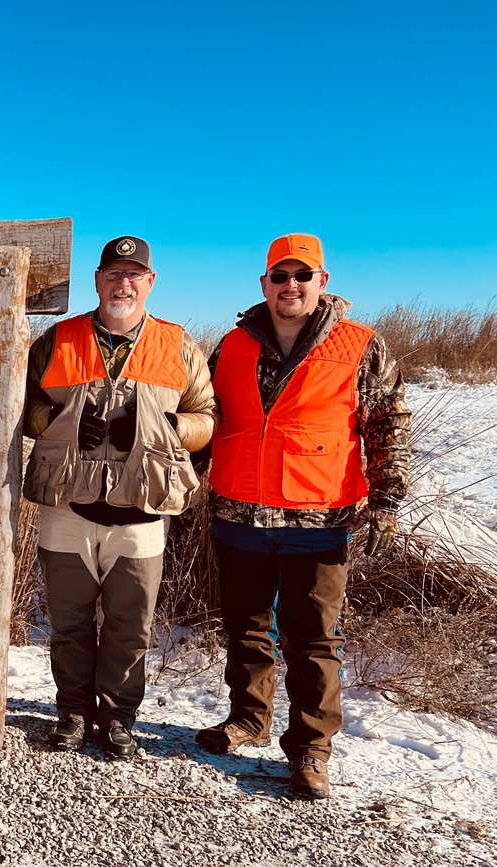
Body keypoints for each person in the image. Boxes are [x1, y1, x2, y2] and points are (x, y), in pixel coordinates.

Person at [197, 233, 410, 800]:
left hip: (318, 519)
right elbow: (204, 418)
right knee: (244, 626)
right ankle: (248, 718)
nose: (290, 286)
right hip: (237, 510)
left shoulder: (362, 345)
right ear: (264, 284)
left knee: (314, 639)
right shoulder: (233, 343)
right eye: (279, 276)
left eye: (302, 275)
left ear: (323, 281)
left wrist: (388, 502)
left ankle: (311, 748)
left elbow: (387, 427)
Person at [23, 236, 216, 759]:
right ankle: (73, 710)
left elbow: (209, 418)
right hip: (67, 506)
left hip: (141, 512)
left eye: (134, 275)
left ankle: (118, 715)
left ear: (150, 283)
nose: (122, 284)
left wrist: (167, 426)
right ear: (97, 279)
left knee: (131, 625)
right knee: (69, 621)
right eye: (113, 273)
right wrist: (62, 423)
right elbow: (23, 407)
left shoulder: (179, 346)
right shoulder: (57, 339)